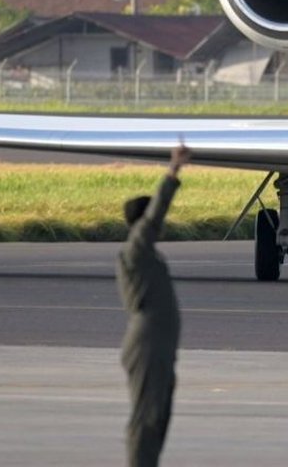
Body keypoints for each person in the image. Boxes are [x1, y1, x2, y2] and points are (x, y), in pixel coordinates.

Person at [117, 145, 191, 467]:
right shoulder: (135, 250)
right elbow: (155, 215)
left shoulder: (146, 255)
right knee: (146, 417)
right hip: (147, 346)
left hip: (158, 347)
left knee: (159, 415)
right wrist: (173, 171)